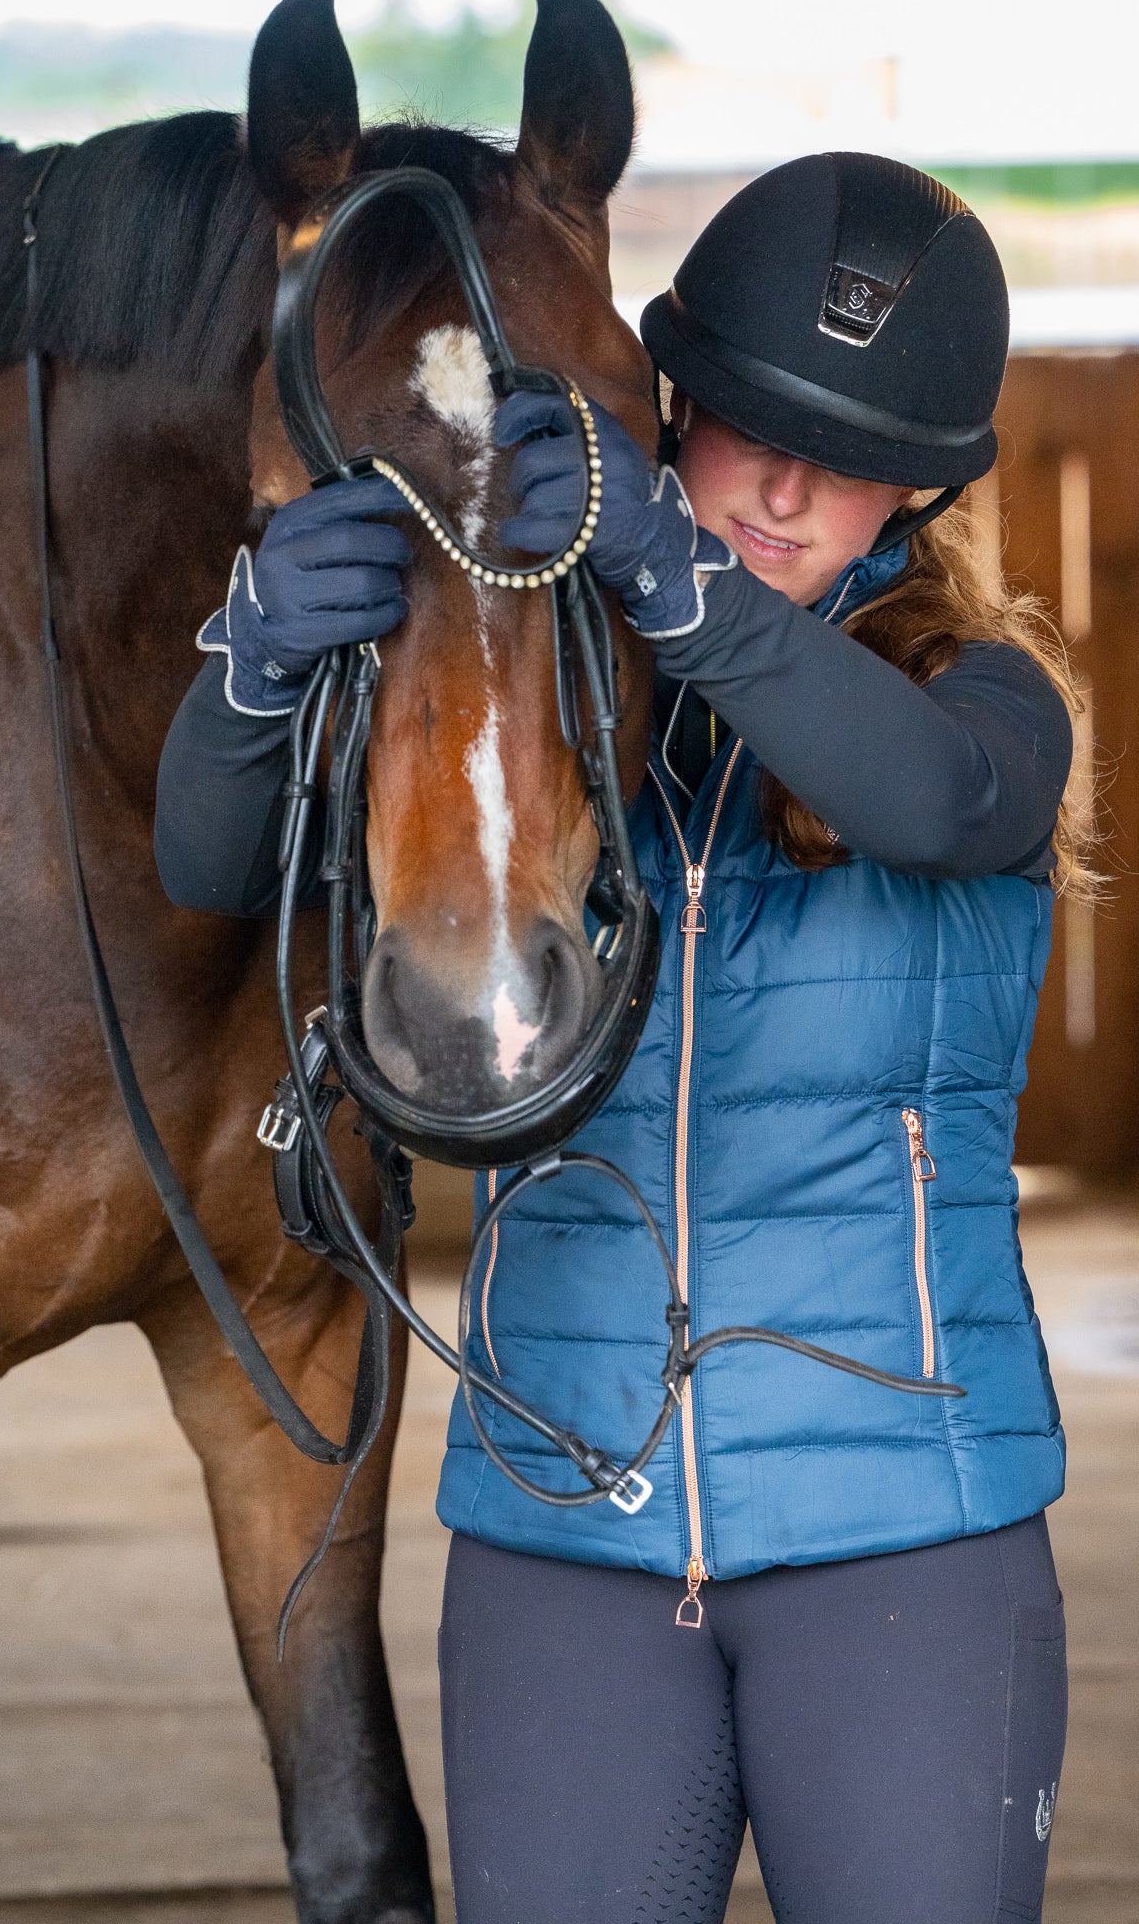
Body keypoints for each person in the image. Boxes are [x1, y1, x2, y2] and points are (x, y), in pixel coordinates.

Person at [156, 153, 1082, 1923]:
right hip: (561, 1528)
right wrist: (256, 657)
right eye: (743, 431)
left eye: (848, 455)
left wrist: (677, 579)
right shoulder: (533, 703)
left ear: (926, 484)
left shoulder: (981, 697)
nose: (787, 491)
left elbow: (940, 805)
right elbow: (207, 867)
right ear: (669, 412)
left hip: (901, 1533)